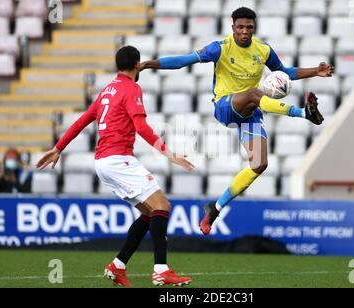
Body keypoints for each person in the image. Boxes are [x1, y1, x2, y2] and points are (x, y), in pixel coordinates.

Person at [139, 7, 335, 235]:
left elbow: (283, 72)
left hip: (251, 112)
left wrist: (315, 71)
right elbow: (183, 61)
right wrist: (148, 64)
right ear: (232, 27)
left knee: (259, 164)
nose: (244, 31)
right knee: (254, 92)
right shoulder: (220, 48)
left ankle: (215, 208)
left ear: (254, 28)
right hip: (225, 106)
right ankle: (303, 113)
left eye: (249, 27)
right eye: (240, 27)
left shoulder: (262, 50)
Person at [36, 46, 195, 288]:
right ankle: (161, 271)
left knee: (150, 213)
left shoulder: (106, 91)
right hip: (119, 159)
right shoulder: (132, 88)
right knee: (162, 205)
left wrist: (59, 147)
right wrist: (168, 153)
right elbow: (141, 127)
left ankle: (118, 266)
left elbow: (82, 120)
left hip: (103, 163)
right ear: (137, 64)